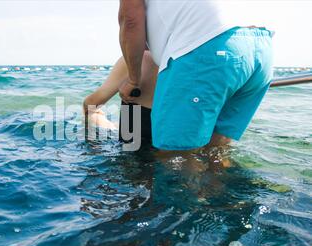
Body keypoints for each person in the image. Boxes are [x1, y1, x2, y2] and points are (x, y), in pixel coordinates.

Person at [114, 0, 274, 154]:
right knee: (216, 151)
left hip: (209, 49)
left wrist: (133, 80)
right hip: (258, 47)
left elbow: (130, 21)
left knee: (176, 157)